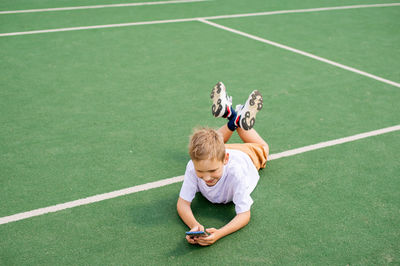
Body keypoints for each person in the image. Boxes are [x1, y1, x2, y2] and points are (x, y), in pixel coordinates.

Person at [177, 82, 269, 246]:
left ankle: (236, 119)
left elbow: (244, 214)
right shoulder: (198, 165)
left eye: (212, 171)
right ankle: (232, 117)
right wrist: (193, 225)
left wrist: (220, 233)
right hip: (219, 153)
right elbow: (182, 204)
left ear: (225, 160)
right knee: (213, 143)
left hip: (247, 156)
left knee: (264, 148)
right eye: (200, 172)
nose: (206, 177)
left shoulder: (235, 173)